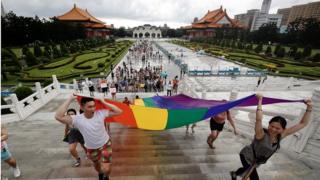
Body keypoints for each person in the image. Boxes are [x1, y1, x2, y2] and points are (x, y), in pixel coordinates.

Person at [230, 94, 312, 180]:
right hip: (247, 156)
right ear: (268, 124)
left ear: (283, 129)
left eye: (277, 128)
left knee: (246, 171)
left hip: (257, 161)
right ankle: (236, 174)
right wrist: (260, 100)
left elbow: (303, 124)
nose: (273, 129)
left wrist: (309, 107)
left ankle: (235, 173)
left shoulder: (282, 135)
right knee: (253, 177)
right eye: (271, 126)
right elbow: (258, 119)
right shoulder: (260, 133)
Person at [55, 95, 123, 180]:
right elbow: (58, 116)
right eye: (90, 107)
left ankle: (106, 176)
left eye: (94, 106)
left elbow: (119, 111)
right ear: (82, 107)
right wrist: (70, 99)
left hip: (105, 144)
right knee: (96, 164)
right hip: (91, 148)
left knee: (107, 168)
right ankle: (100, 173)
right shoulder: (77, 119)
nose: (93, 109)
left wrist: (104, 102)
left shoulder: (101, 113)